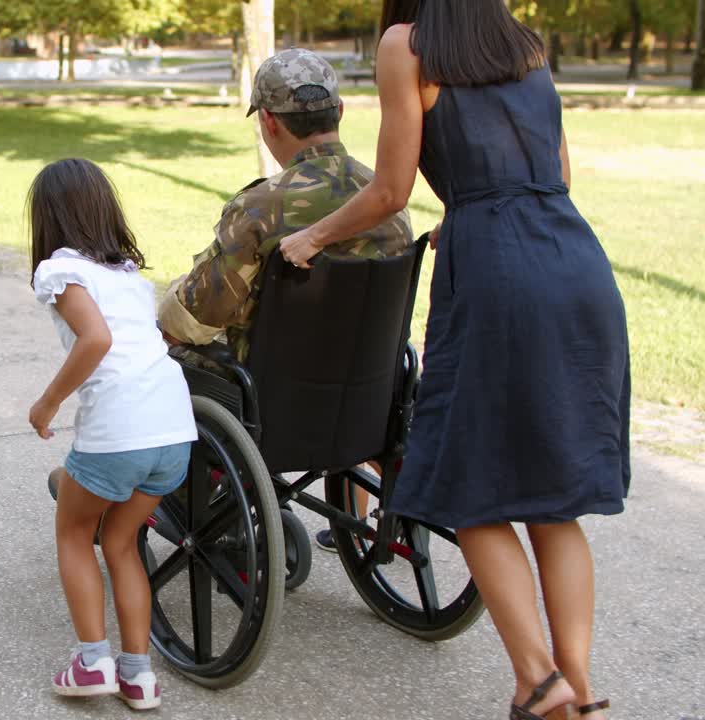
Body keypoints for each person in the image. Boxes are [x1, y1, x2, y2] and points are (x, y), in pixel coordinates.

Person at [278, 2, 630, 718]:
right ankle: (580, 689)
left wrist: (310, 238)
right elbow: (553, 169)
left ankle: (538, 683)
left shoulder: (406, 45)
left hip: (498, 278)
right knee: (555, 504)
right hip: (576, 262)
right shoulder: (524, 45)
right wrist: (475, 206)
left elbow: (388, 190)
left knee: (470, 487)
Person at [156, 48, 412, 550]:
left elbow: (192, 320)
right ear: (338, 112)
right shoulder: (387, 199)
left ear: (269, 121)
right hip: (369, 390)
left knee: (158, 359)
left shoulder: (262, 208)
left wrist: (161, 309)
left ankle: (184, 506)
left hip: (270, 402)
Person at [27, 158, 198, 711]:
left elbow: (94, 340)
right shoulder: (129, 276)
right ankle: (138, 675)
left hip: (120, 436)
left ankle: (92, 662)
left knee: (75, 534)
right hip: (174, 431)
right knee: (120, 542)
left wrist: (48, 401)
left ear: (47, 218)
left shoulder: (61, 271)